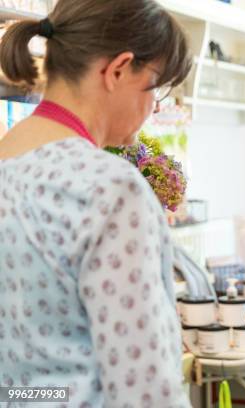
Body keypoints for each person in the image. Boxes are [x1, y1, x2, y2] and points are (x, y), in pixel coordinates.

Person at [0, 0, 191, 406]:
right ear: (118, 70)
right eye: (155, 84)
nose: (154, 105)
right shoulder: (109, 190)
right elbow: (144, 390)